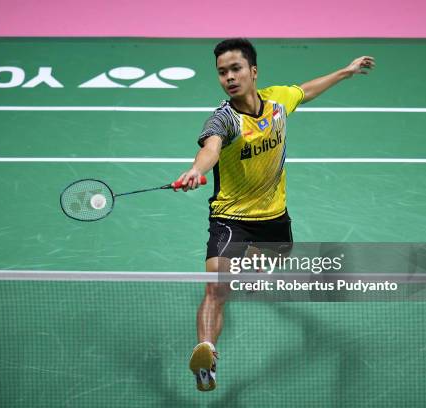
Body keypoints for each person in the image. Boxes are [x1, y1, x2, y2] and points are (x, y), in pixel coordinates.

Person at [176, 38, 375, 392]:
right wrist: (196, 169)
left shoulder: (277, 101)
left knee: (275, 258)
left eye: (235, 69)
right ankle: (205, 354)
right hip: (230, 219)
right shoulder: (224, 119)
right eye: (222, 73)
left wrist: (345, 72)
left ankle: (244, 275)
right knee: (215, 289)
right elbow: (211, 147)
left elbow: (305, 90)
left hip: (273, 218)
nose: (229, 77)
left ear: (253, 71)